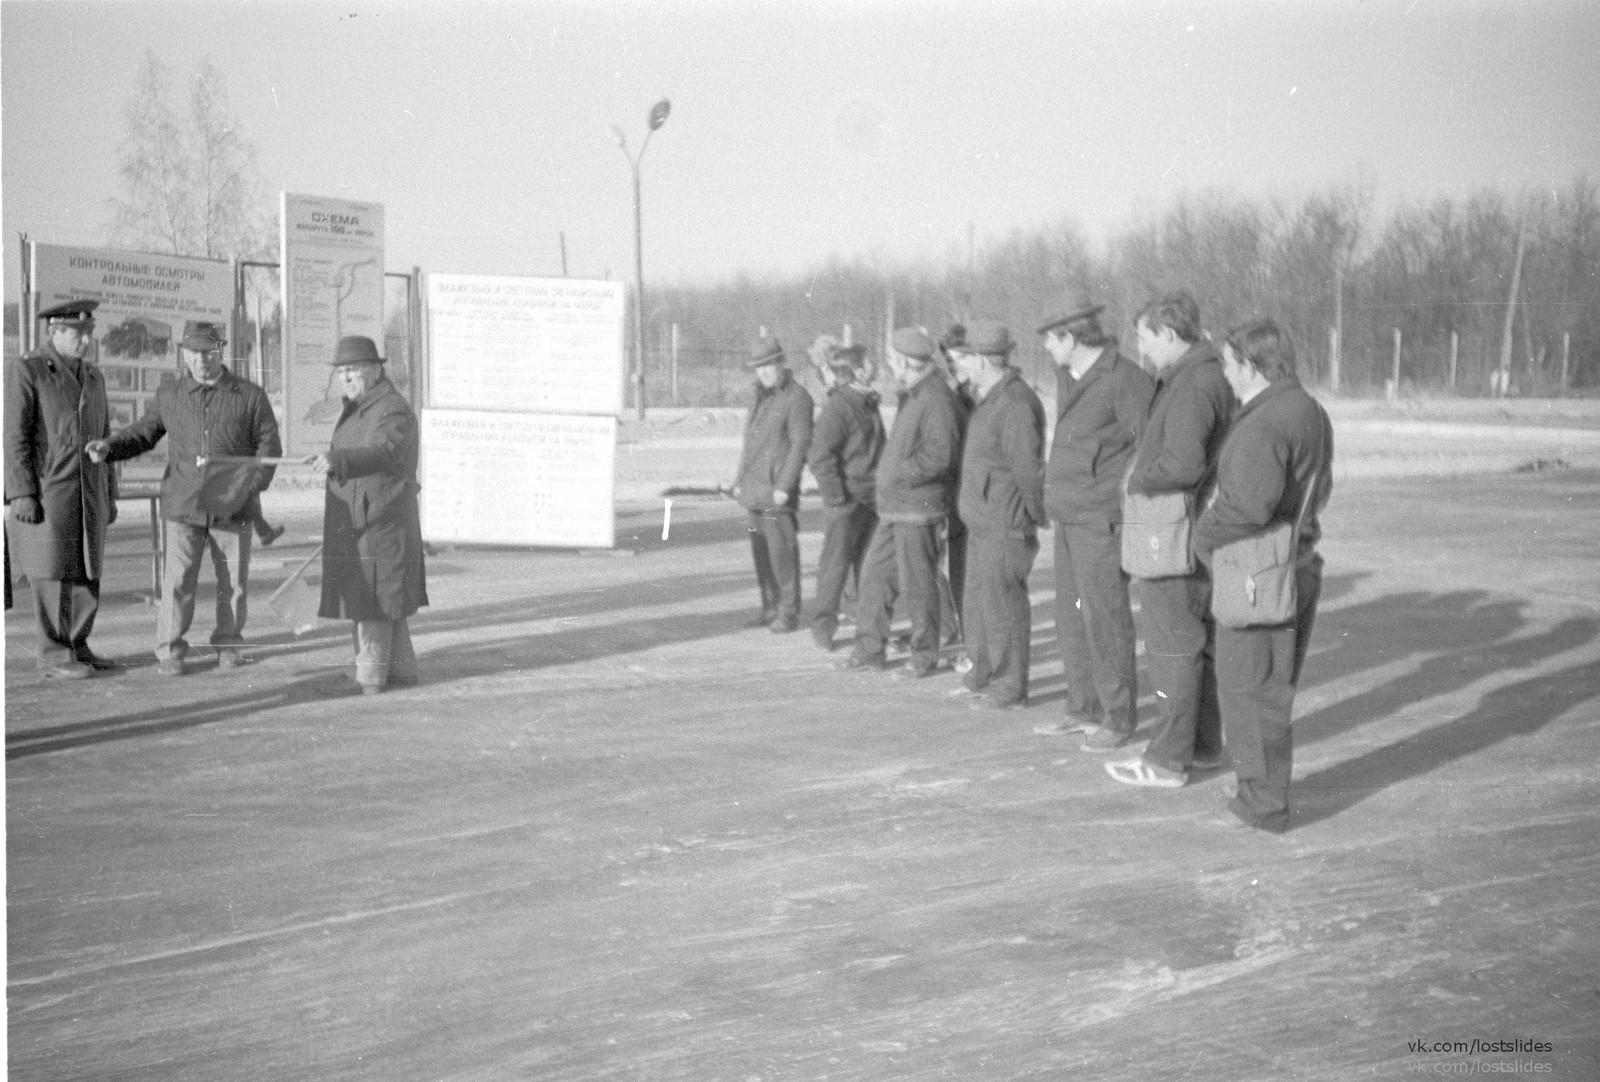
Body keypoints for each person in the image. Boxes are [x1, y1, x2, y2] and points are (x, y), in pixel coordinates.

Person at [1191, 320, 1333, 831]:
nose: (1226, 375)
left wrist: (1201, 537)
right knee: (1265, 689)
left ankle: (1263, 802)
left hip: (1259, 573)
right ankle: (1259, 790)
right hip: (1293, 564)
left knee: (1251, 691)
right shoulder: (1309, 410)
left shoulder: (1265, 422)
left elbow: (1247, 507)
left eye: (1230, 365)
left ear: (1252, 367)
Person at [90, 321, 281, 675]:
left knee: (234, 583)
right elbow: (143, 434)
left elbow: (269, 448)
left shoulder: (250, 396)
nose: (200, 360)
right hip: (184, 504)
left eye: (208, 351)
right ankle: (171, 650)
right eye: (193, 352)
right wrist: (110, 447)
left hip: (233, 506)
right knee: (178, 581)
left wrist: (248, 488)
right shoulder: (169, 394)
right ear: (183, 353)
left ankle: (228, 643)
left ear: (221, 350)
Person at [1105, 291, 1234, 783]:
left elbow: (1182, 464)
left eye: (1145, 338)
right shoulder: (1196, 376)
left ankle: (1165, 760)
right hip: (1191, 529)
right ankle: (1200, 746)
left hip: (1175, 530)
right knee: (1193, 644)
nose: (1142, 350)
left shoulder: (1194, 383)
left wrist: (1137, 479)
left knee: (1172, 646)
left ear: (1169, 334)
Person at [1032, 301, 1156, 747]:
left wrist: (1120, 499)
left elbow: (1150, 446)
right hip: (1068, 514)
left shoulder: (1126, 379)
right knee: (1072, 618)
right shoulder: (1071, 377)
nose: (1046, 348)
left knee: (1105, 618)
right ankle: (1082, 707)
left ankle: (1118, 718)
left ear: (1071, 337)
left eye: (1050, 338)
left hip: (1101, 519)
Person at [4, 300, 118, 679]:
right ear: (54, 331)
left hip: (90, 489)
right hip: (49, 489)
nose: (86, 340)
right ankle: (54, 654)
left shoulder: (95, 376)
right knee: (52, 571)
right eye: (77, 333)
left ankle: (78, 645)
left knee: (88, 568)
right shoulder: (29, 370)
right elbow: (14, 437)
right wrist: (20, 492)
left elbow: (105, 440)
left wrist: (110, 494)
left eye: (89, 332)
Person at [309, 336, 428, 695]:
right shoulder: (360, 407)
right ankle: (401, 671)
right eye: (341, 371)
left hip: (381, 521)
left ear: (375, 370)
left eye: (353, 370)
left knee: (374, 600)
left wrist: (339, 460)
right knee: (382, 598)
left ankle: (371, 677)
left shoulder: (391, 409)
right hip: (365, 519)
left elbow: (383, 451)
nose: (345, 378)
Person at [841, 327, 963, 676]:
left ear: (909, 362)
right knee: (875, 575)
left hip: (918, 508)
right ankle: (869, 649)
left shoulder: (936, 398)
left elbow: (941, 455)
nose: (891, 366)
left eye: (895, 360)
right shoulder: (914, 394)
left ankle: (924, 656)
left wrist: (899, 473)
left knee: (919, 585)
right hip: (896, 507)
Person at [947, 319, 1048, 709]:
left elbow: (1028, 471)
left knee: (1003, 607)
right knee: (979, 605)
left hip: (1004, 525)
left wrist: (1030, 518)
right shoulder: (991, 398)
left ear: (985, 361)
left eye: (966, 358)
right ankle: (983, 674)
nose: (960, 364)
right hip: (983, 522)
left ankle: (1008, 686)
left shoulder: (1016, 403)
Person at [733, 334, 813, 633]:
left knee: (782, 554)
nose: (764, 371)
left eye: (769, 364)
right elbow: (749, 443)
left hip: (776, 492)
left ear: (781, 362)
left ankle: (788, 612)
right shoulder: (758, 396)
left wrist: (785, 485)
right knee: (761, 552)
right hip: (753, 489)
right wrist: (739, 479)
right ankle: (769, 607)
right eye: (758, 367)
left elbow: (800, 444)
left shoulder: (797, 397)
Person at [806, 343, 884, 651]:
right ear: (860, 369)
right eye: (870, 363)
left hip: (870, 498)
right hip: (847, 500)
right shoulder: (839, 406)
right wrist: (836, 497)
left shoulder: (867, 401)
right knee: (834, 565)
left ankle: (863, 621)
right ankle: (823, 627)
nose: (876, 368)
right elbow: (819, 456)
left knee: (868, 566)